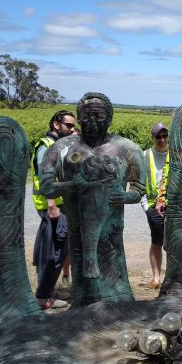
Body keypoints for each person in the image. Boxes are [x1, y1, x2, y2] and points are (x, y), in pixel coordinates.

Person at [39, 92, 145, 305]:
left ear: (110, 118)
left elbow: (139, 188)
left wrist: (125, 196)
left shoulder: (126, 148)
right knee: (83, 269)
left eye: (99, 115)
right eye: (87, 116)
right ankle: (84, 304)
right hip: (78, 228)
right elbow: (46, 187)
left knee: (113, 271)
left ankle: (118, 302)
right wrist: (72, 186)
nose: (93, 121)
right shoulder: (62, 148)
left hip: (112, 232)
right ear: (79, 118)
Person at [30, 109, 76, 309]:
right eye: (69, 125)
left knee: (58, 248)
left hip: (58, 204)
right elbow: (44, 176)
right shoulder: (46, 146)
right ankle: (44, 296)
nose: (72, 128)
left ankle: (48, 290)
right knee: (55, 251)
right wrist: (51, 204)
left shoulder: (58, 144)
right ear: (56, 125)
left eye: (73, 125)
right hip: (53, 206)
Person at [141, 122, 169, 289]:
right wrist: (146, 209)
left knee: (172, 244)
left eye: (165, 136)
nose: (162, 139)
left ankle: (171, 279)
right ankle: (156, 278)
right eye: (158, 136)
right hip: (152, 207)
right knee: (157, 242)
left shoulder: (176, 154)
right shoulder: (145, 156)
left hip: (173, 206)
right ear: (152, 138)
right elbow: (138, 184)